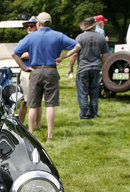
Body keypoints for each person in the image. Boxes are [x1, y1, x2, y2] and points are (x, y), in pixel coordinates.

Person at [11, 12, 80, 141]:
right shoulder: (58, 35)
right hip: (51, 71)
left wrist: (24, 67)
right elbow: (77, 46)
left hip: (35, 71)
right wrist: (63, 57)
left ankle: (31, 132)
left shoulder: (31, 37)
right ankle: (49, 135)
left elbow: (14, 53)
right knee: (50, 105)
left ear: (38, 23)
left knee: (32, 104)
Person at [67, 17, 109, 119]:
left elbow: (74, 55)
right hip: (95, 68)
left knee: (82, 92)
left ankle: (85, 114)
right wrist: (102, 67)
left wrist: (70, 67)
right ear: (94, 25)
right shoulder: (101, 38)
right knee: (94, 92)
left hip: (83, 68)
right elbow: (105, 55)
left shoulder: (80, 38)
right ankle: (94, 113)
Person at [17, 17, 42, 128]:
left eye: (32, 26)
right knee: (26, 101)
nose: (29, 28)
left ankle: (38, 125)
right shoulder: (24, 40)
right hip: (27, 72)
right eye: (27, 26)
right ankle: (21, 124)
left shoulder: (41, 40)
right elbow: (19, 54)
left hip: (40, 71)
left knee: (39, 101)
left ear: (38, 26)